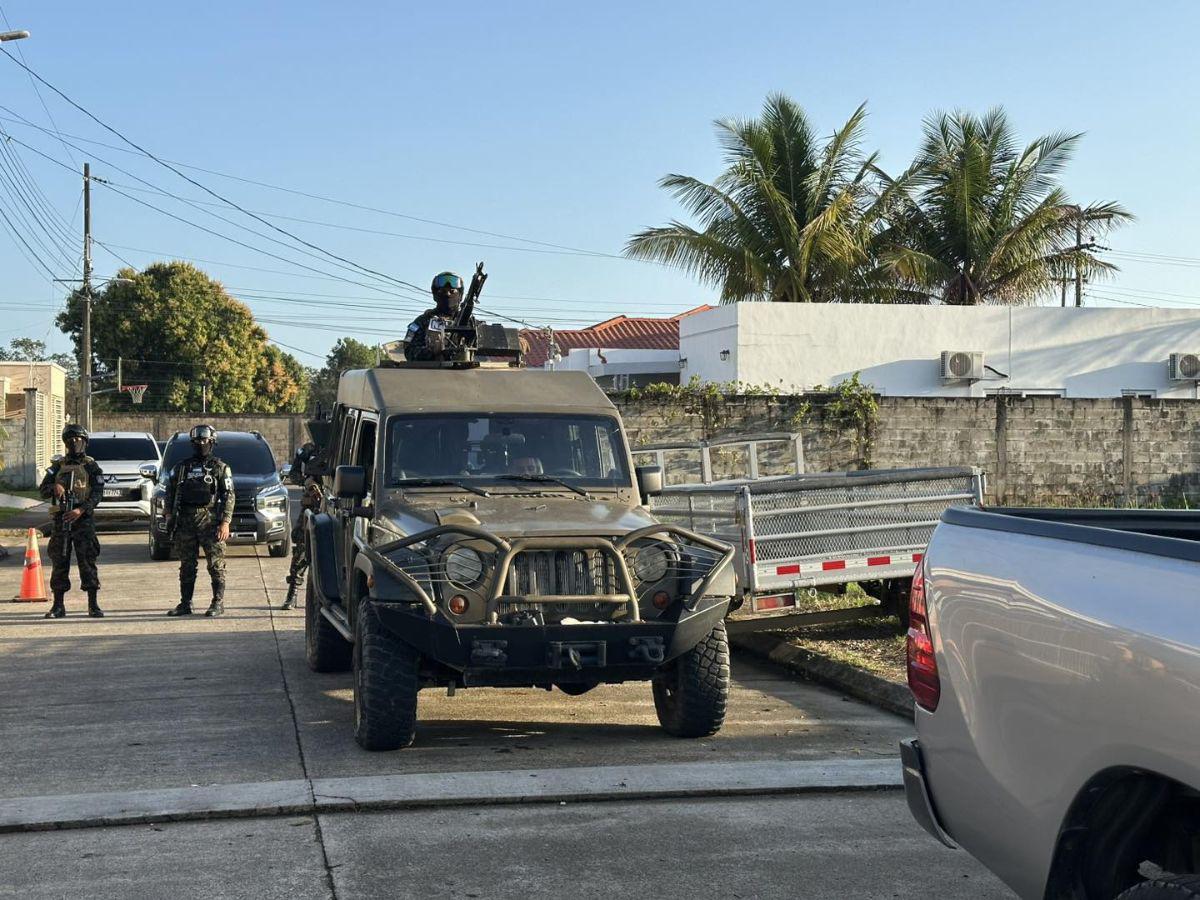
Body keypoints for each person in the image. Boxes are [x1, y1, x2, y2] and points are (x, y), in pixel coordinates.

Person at [164, 425, 235, 618]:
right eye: (197, 441)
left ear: (212, 442)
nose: (200, 444)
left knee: (216, 564)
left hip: (210, 520)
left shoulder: (220, 468)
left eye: (204, 441)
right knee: (187, 564)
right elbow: (169, 492)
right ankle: (185, 603)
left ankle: (217, 603)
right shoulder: (181, 468)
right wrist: (168, 514)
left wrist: (225, 522)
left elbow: (228, 495)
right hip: (185, 521)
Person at [38, 424, 105, 619]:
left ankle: (93, 605)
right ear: (65, 443)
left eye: (78, 439)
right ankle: (58, 606)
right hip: (61, 520)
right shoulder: (57, 467)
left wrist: (80, 509)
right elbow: (43, 489)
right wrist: (55, 487)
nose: (75, 443)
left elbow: (98, 493)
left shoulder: (91, 466)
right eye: (71, 440)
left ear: (85, 442)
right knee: (60, 561)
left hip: (83, 521)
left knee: (87, 561)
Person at [403, 271, 477, 361]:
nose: (448, 294)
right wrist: (431, 352)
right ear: (435, 295)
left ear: (460, 296)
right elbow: (409, 351)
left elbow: (484, 351)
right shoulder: (422, 321)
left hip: (465, 372)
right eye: (443, 291)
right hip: (431, 372)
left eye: (452, 291)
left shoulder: (470, 323)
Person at [281, 442, 320, 610]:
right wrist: (308, 482)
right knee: (301, 549)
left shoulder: (347, 442)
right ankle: (293, 593)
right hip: (311, 506)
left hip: (339, 504)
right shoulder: (310, 449)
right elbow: (294, 474)